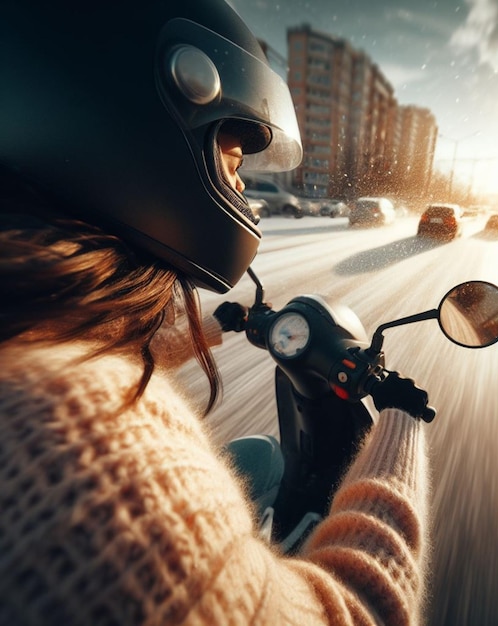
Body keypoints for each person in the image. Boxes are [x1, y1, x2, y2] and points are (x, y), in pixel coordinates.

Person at [0, 1, 431, 624]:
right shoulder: (96, 475)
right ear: (146, 138)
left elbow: (106, 348)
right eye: (231, 167)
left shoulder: (39, 322)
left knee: (254, 458)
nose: (244, 197)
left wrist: (216, 324)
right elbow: (356, 611)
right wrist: (400, 427)